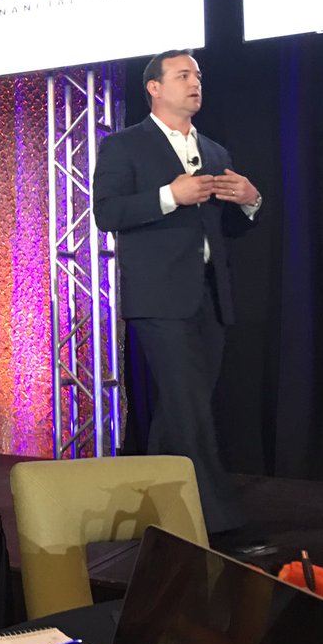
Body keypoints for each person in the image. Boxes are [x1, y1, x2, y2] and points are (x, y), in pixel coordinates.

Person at [92, 49, 261, 536]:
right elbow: (107, 213)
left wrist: (250, 202)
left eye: (198, 75)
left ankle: (154, 515)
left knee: (180, 409)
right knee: (189, 409)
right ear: (154, 87)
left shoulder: (215, 151)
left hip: (209, 296)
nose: (195, 82)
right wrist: (171, 196)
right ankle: (218, 525)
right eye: (183, 75)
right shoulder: (124, 145)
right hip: (158, 297)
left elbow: (226, 229)